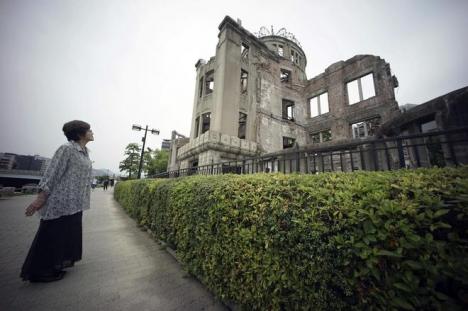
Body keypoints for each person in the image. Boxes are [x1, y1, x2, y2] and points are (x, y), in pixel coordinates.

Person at [20, 120, 94, 282]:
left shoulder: (85, 151)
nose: (92, 132)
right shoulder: (66, 149)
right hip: (60, 201)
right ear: (80, 133)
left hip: (75, 203)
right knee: (52, 234)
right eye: (89, 130)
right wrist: (40, 198)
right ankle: (40, 272)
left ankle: (56, 265)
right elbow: (52, 173)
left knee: (66, 235)